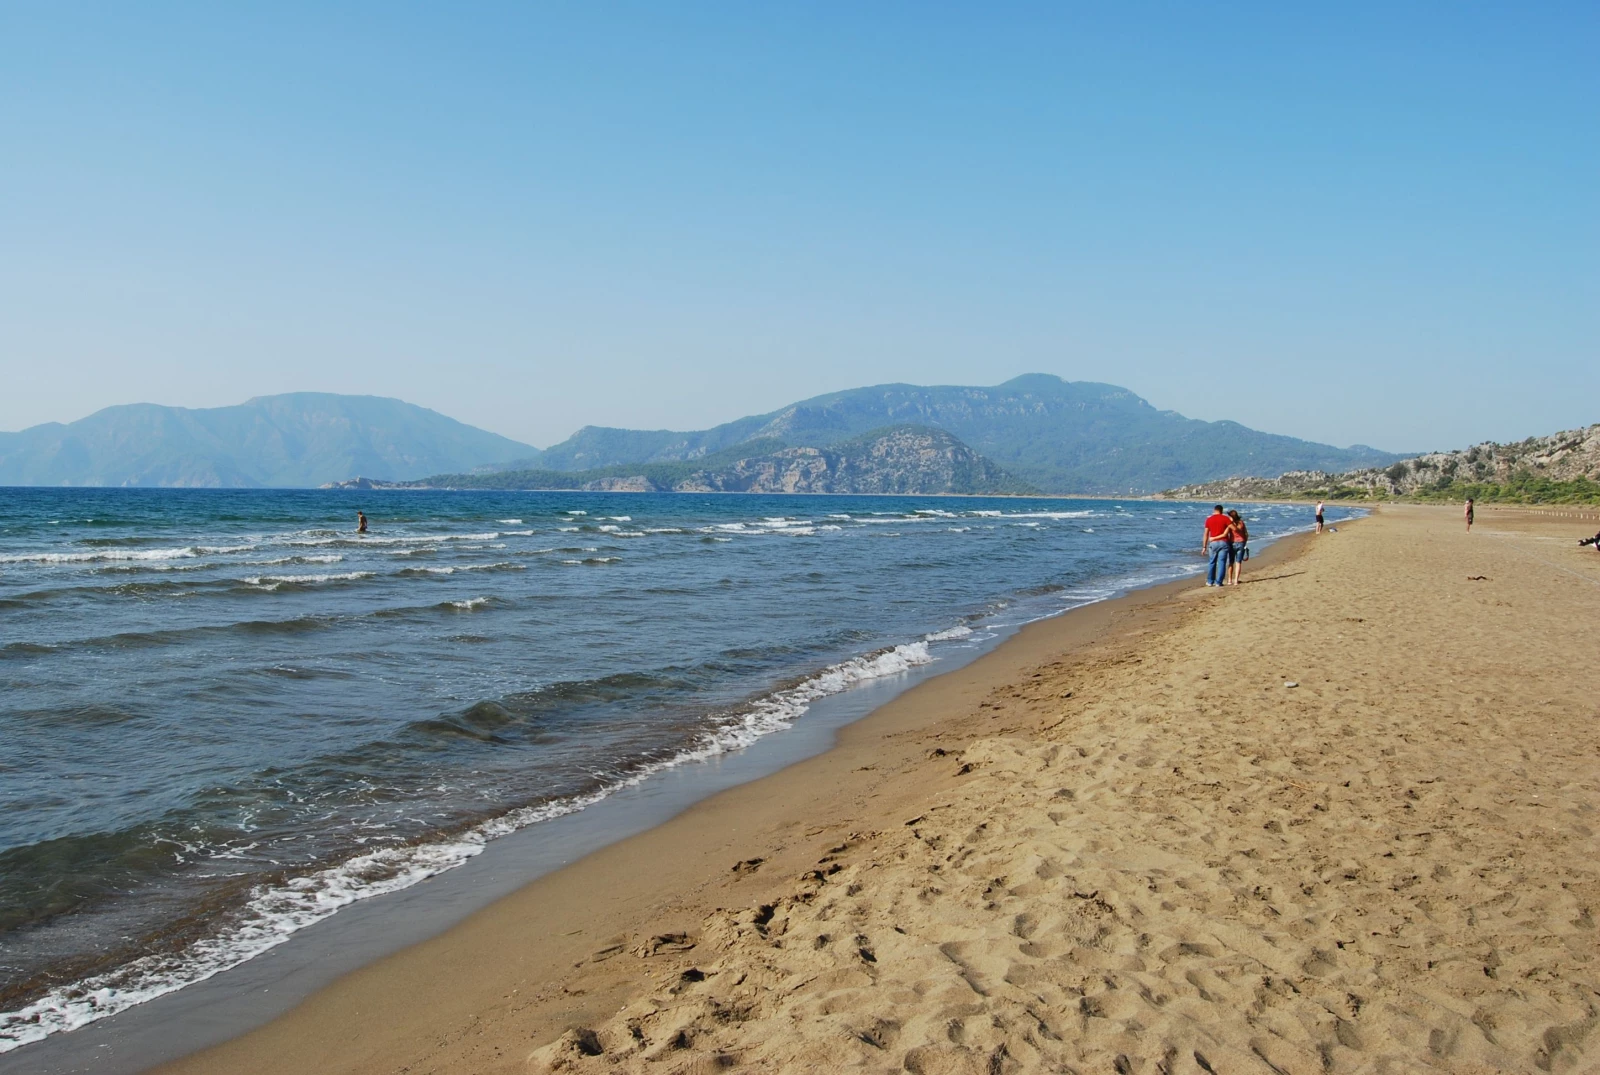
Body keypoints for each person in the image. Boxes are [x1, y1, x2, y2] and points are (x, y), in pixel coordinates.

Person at [1202, 504, 1234, 587]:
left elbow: (1206, 534)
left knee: (1212, 562)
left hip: (1213, 542)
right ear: (1222, 511)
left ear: (1214, 510)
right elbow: (1234, 528)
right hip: (1224, 542)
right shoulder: (1225, 518)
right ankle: (1219, 582)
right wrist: (1230, 523)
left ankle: (1210, 581)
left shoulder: (1209, 519)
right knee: (1222, 562)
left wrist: (1204, 546)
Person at [1226, 509, 1249, 585]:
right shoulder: (1241, 522)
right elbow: (1246, 534)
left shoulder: (1230, 524)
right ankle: (1236, 580)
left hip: (1232, 542)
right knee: (1238, 562)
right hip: (1241, 542)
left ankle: (1229, 580)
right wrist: (1245, 542)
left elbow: (1226, 533)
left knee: (1231, 562)